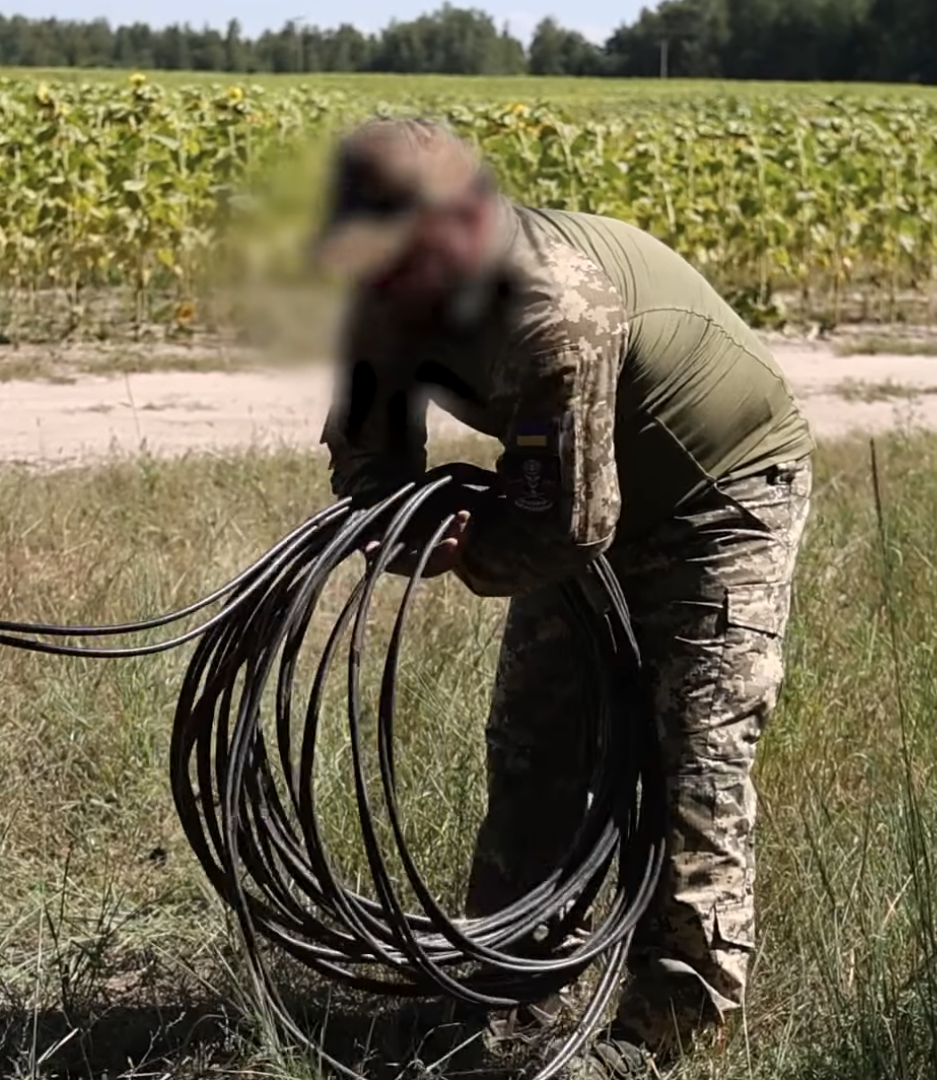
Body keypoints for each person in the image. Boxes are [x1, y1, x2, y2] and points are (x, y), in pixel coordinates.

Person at [312, 117, 815, 1078]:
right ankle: (503, 994)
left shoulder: (553, 307)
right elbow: (371, 453)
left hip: (719, 497)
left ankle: (664, 1035)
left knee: (692, 757)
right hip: (580, 494)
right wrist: (393, 517)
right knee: (536, 744)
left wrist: (467, 552)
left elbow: (570, 529)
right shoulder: (381, 286)